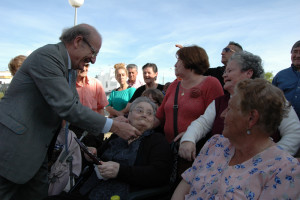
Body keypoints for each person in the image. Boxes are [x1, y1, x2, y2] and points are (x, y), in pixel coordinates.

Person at [0, 23, 140, 200]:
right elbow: (67, 107)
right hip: (16, 147)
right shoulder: (48, 57)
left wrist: (114, 123)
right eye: (94, 52)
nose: (94, 60)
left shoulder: (70, 68)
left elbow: (74, 104)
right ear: (78, 41)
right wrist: (114, 127)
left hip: (38, 153)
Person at [171, 78, 300, 199]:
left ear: (251, 118)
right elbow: (186, 183)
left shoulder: (284, 170)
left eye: (230, 108)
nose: (222, 115)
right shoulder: (216, 144)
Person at [178, 51, 300, 162]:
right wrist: (188, 139)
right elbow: (202, 123)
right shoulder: (219, 102)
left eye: (229, 71)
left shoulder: (274, 98)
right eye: (225, 71)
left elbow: (294, 133)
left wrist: (268, 159)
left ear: (248, 73)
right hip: (220, 166)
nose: (224, 75)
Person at [63, 97, 172, 200]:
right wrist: (91, 156)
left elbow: (160, 174)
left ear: (153, 120)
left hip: (126, 195)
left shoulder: (157, 140)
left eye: (149, 113)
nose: (144, 115)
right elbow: (98, 160)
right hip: (91, 189)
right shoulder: (117, 135)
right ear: (128, 115)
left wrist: (119, 171)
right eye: (139, 111)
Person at [155, 45, 224, 143]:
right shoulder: (173, 85)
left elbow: (218, 119)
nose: (175, 65)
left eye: (178, 61)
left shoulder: (211, 83)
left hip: (196, 148)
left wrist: (191, 135)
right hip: (170, 148)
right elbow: (160, 116)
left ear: (190, 61)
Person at [176, 41, 243, 88]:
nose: (222, 53)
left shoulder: (247, 73)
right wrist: (187, 54)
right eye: (223, 50)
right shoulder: (216, 72)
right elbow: (198, 69)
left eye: (226, 50)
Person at [273, 40, 300, 120]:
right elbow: (271, 99)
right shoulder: (280, 76)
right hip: (283, 124)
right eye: (295, 52)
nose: (298, 55)